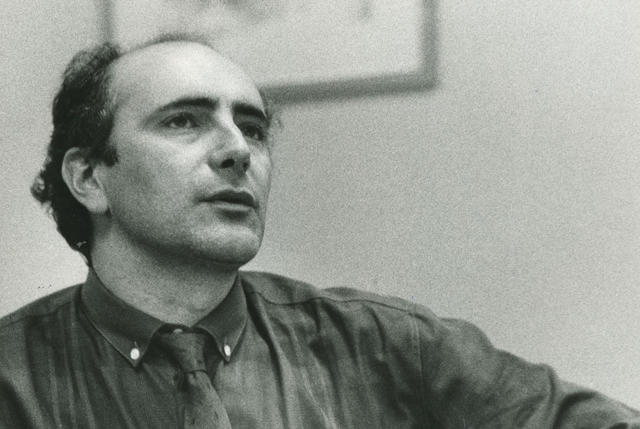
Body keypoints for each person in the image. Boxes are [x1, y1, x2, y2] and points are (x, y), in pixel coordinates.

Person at [0, 33, 638, 429]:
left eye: (253, 129)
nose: (238, 151)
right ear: (89, 178)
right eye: (183, 121)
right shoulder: (12, 380)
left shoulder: (384, 345)